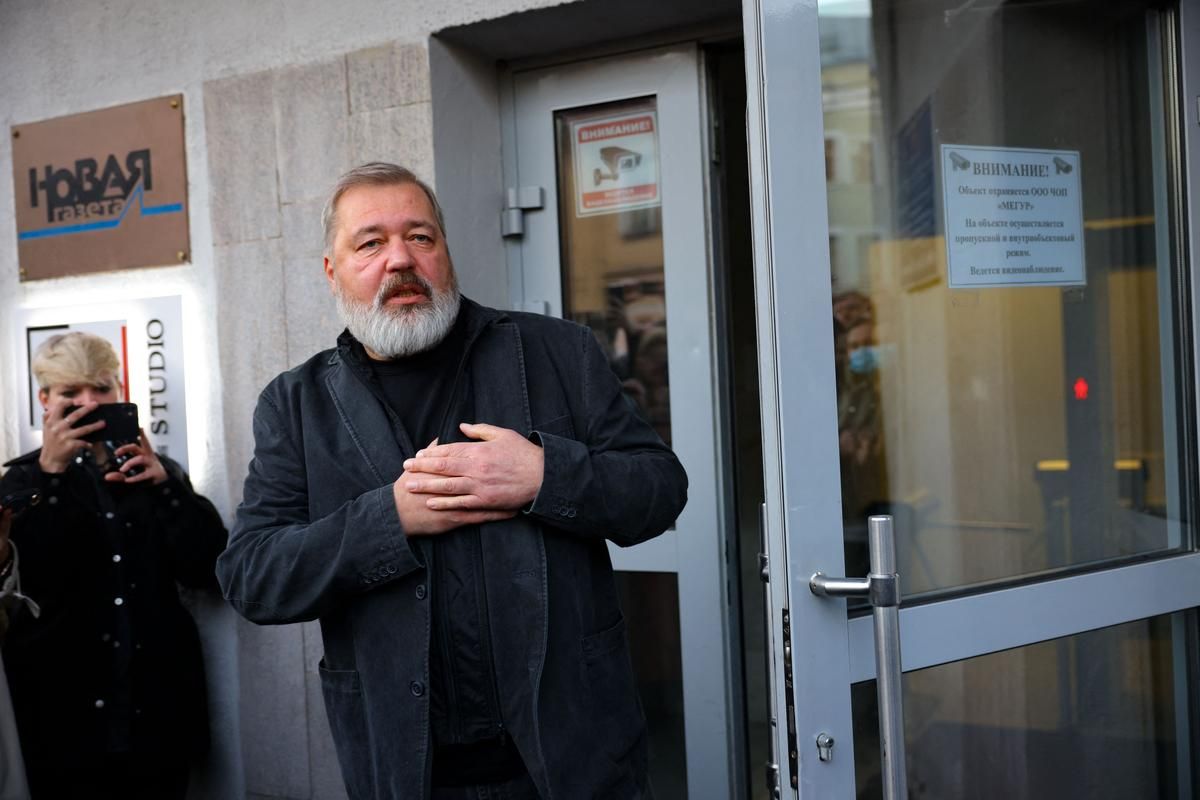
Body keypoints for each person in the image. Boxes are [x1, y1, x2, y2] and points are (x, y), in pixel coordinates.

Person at [216, 162, 688, 800]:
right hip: (404, 772)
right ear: (332, 270)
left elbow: (661, 490)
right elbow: (253, 577)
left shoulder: (557, 353)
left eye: (420, 237)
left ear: (445, 252)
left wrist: (545, 476)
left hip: (573, 759)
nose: (400, 260)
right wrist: (392, 520)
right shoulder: (296, 405)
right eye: (370, 243)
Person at [0, 332, 227, 799]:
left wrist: (166, 487)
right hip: (62, 718)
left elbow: (211, 570)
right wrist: (52, 476)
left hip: (157, 710)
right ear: (45, 401)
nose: (89, 403)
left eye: (101, 388)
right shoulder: (22, 481)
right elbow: (29, 590)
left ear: (119, 392)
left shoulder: (160, 471)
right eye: (71, 392)